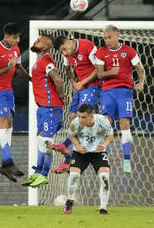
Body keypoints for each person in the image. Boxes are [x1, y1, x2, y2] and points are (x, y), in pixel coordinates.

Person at [95, 24, 145, 173]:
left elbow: (140, 69)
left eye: (109, 37)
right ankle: (105, 159)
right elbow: (99, 74)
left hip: (125, 91)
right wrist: (110, 72)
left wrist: (141, 82)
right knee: (106, 125)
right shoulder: (101, 52)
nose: (107, 40)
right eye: (105, 38)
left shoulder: (129, 51)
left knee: (125, 125)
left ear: (117, 35)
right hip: (107, 92)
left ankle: (127, 160)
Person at [0, 22, 31, 182]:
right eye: (14, 37)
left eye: (19, 37)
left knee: (10, 124)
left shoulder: (16, 49)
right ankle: (7, 161)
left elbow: (18, 67)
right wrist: (7, 68)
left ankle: (6, 163)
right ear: (6, 36)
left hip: (8, 91)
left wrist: (31, 79)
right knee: (4, 123)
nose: (18, 40)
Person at [51, 36, 100, 173]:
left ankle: (68, 161)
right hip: (81, 87)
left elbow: (99, 70)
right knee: (72, 118)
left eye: (64, 49)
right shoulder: (66, 53)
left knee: (80, 120)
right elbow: (67, 70)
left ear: (68, 42)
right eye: (62, 51)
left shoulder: (87, 46)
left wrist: (81, 83)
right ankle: (65, 144)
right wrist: (74, 84)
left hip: (93, 86)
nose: (64, 53)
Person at [22, 35, 65, 187]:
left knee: (47, 141)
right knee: (40, 140)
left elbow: (58, 80)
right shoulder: (38, 62)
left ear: (47, 46)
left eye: (39, 41)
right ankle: (38, 172)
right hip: (43, 108)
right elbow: (35, 80)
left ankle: (44, 174)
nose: (35, 41)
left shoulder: (47, 61)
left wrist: (61, 97)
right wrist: (19, 68)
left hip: (50, 107)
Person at [64, 104, 113, 215]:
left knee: (105, 177)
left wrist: (104, 144)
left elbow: (110, 135)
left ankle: (103, 208)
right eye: (79, 116)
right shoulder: (75, 123)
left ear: (91, 116)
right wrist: (78, 147)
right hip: (81, 152)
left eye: (83, 117)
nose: (80, 119)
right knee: (73, 176)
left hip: (98, 152)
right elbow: (72, 136)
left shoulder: (102, 120)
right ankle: (70, 200)